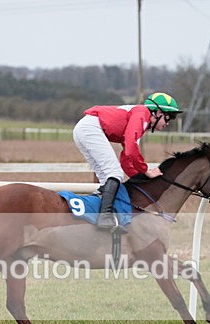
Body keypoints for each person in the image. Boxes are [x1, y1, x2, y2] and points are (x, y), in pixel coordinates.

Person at [73, 92, 182, 231]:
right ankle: (104, 217)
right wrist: (146, 171)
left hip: (84, 129)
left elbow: (126, 158)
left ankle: (99, 215)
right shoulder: (142, 114)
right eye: (169, 117)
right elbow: (131, 148)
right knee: (114, 173)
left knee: (107, 178)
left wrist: (138, 177)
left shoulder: (141, 120)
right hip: (89, 128)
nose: (168, 123)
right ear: (158, 112)